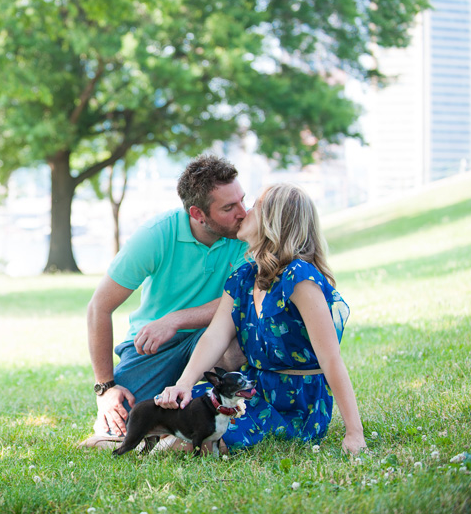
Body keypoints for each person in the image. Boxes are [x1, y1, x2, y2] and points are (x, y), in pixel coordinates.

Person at [154, 183, 367, 454]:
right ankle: (134, 440)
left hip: (293, 403)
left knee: (193, 439)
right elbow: (215, 335)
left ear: (272, 221)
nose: (244, 213)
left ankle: (159, 445)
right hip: (251, 390)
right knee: (170, 413)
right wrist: (184, 383)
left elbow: (330, 358)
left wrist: (354, 432)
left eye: (254, 206)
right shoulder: (243, 278)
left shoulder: (300, 278)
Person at [81, 154, 249, 448]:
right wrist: (105, 388)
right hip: (152, 344)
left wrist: (176, 319)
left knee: (234, 346)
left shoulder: (245, 234)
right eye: (229, 207)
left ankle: (206, 427)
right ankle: (174, 436)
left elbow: (237, 302)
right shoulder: (156, 235)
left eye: (242, 200)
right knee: (121, 426)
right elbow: (99, 307)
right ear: (198, 214)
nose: (243, 212)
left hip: (212, 335)